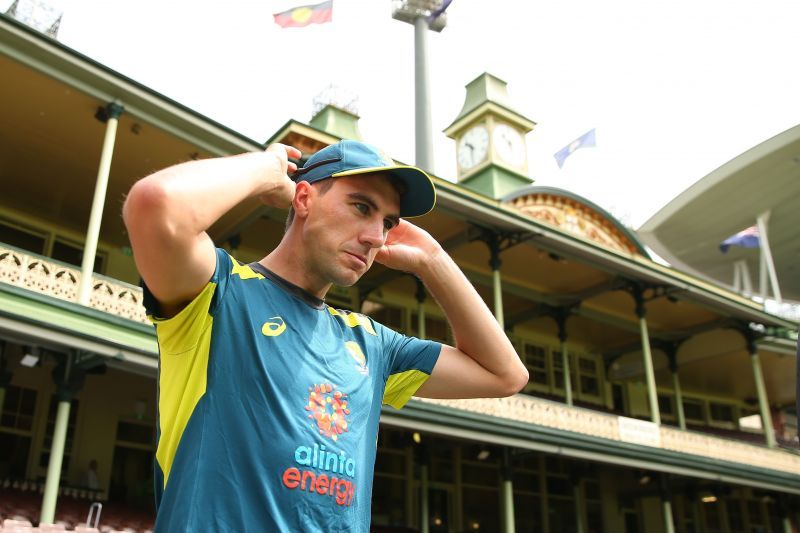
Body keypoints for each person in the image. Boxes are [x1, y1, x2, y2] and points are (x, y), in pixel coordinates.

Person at [122, 139, 529, 532]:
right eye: (361, 206)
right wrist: (266, 171)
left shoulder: (372, 343)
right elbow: (157, 205)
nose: (376, 236)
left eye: (387, 222)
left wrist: (433, 261)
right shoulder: (219, 293)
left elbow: (504, 374)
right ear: (302, 199)